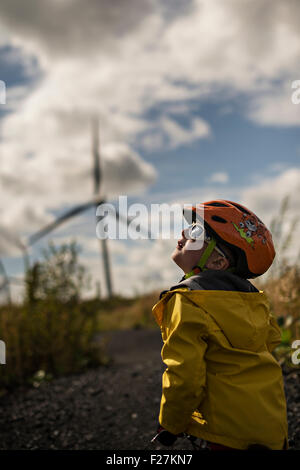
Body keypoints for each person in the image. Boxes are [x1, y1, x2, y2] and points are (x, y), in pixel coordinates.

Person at [151, 200, 288, 450]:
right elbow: (271, 344)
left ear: (217, 263)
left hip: (225, 436)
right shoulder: (256, 302)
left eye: (196, 232)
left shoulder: (187, 300)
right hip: (272, 432)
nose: (184, 233)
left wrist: (170, 424)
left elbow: (184, 376)